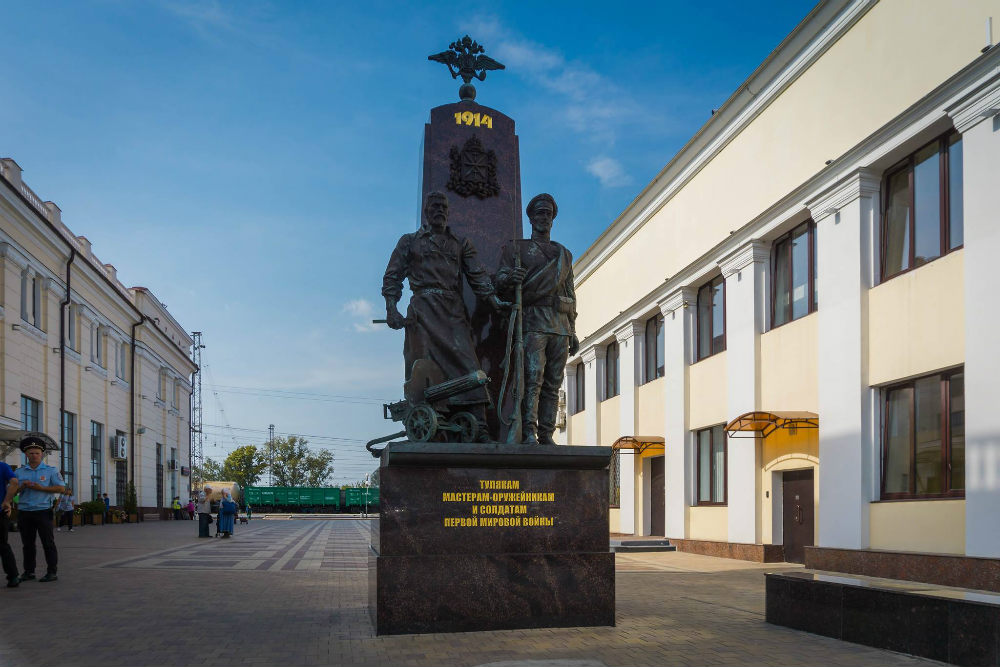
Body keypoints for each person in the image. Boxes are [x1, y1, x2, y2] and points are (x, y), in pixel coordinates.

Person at [382, 191, 509, 440]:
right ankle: (429, 429)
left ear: (449, 212)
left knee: (468, 365)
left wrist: (495, 301)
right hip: (422, 315)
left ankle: (480, 426)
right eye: (435, 206)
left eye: (443, 206)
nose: (439, 210)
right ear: (426, 212)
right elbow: (392, 277)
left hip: (452, 312)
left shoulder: (460, 243)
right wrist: (391, 309)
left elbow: (478, 277)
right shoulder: (409, 242)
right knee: (424, 371)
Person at [496, 193, 579, 445]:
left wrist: (573, 330)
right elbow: (497, 282)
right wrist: (511, 279)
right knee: (532, 380)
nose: (544, 217)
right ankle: (528, 431)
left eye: (548, 214)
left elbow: (570, 293)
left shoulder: (563, 254)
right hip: (532, 322)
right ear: (530, 218)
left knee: (553, 384)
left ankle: (547, 434)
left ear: (553, 219)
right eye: (539, 213)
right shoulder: (516, 249)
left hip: (559, 324)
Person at [14, 435, 65, 582]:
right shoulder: (19, 472)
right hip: (25, 512)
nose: (34, 455)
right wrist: (21, 487)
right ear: (26, 454)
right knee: (27, 544)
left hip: (43, 511)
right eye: (31, 453)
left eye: (37, 453)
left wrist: (41, 488)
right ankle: (29, 572)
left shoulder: (51, 471)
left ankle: (52, 572)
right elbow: (12, 490)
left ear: (42, 454)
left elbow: (61, 488)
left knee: (47, 543)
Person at [0, 459, 20, 587]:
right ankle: (13, 577)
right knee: (2, 545)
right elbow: (14, 482)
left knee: (2, 545)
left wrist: (7, 501)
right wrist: (7, 501)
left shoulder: (2, 466)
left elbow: (14, 482)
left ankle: (13, 576)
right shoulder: (2, 466)